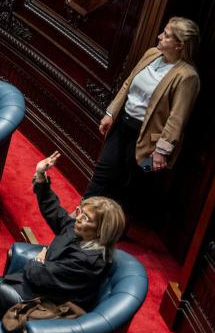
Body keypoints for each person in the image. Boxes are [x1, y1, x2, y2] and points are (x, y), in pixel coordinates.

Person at [84, 17, 200, 211]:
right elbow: (128, 83)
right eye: (163, 32)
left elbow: (177, 118)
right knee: (104, 171)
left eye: (167, 35)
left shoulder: (187, 76)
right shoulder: (151, 54)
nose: (160, 36)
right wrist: (111, 113)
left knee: (131, 187)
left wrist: (162, 152)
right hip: (122, 126)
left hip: (150, 142)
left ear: (180, 45)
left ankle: (114, 231)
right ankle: (82, 213)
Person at [0, 152, 125, 314]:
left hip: (33, 303)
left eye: (86, 217)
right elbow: (55, 212)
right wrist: (40, 175)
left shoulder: (88, 262)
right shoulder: (80, 232)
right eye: (80, 211)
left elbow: (37, 275)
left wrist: (39, 261)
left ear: (101, 231)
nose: (78, 218)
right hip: (27, 287)